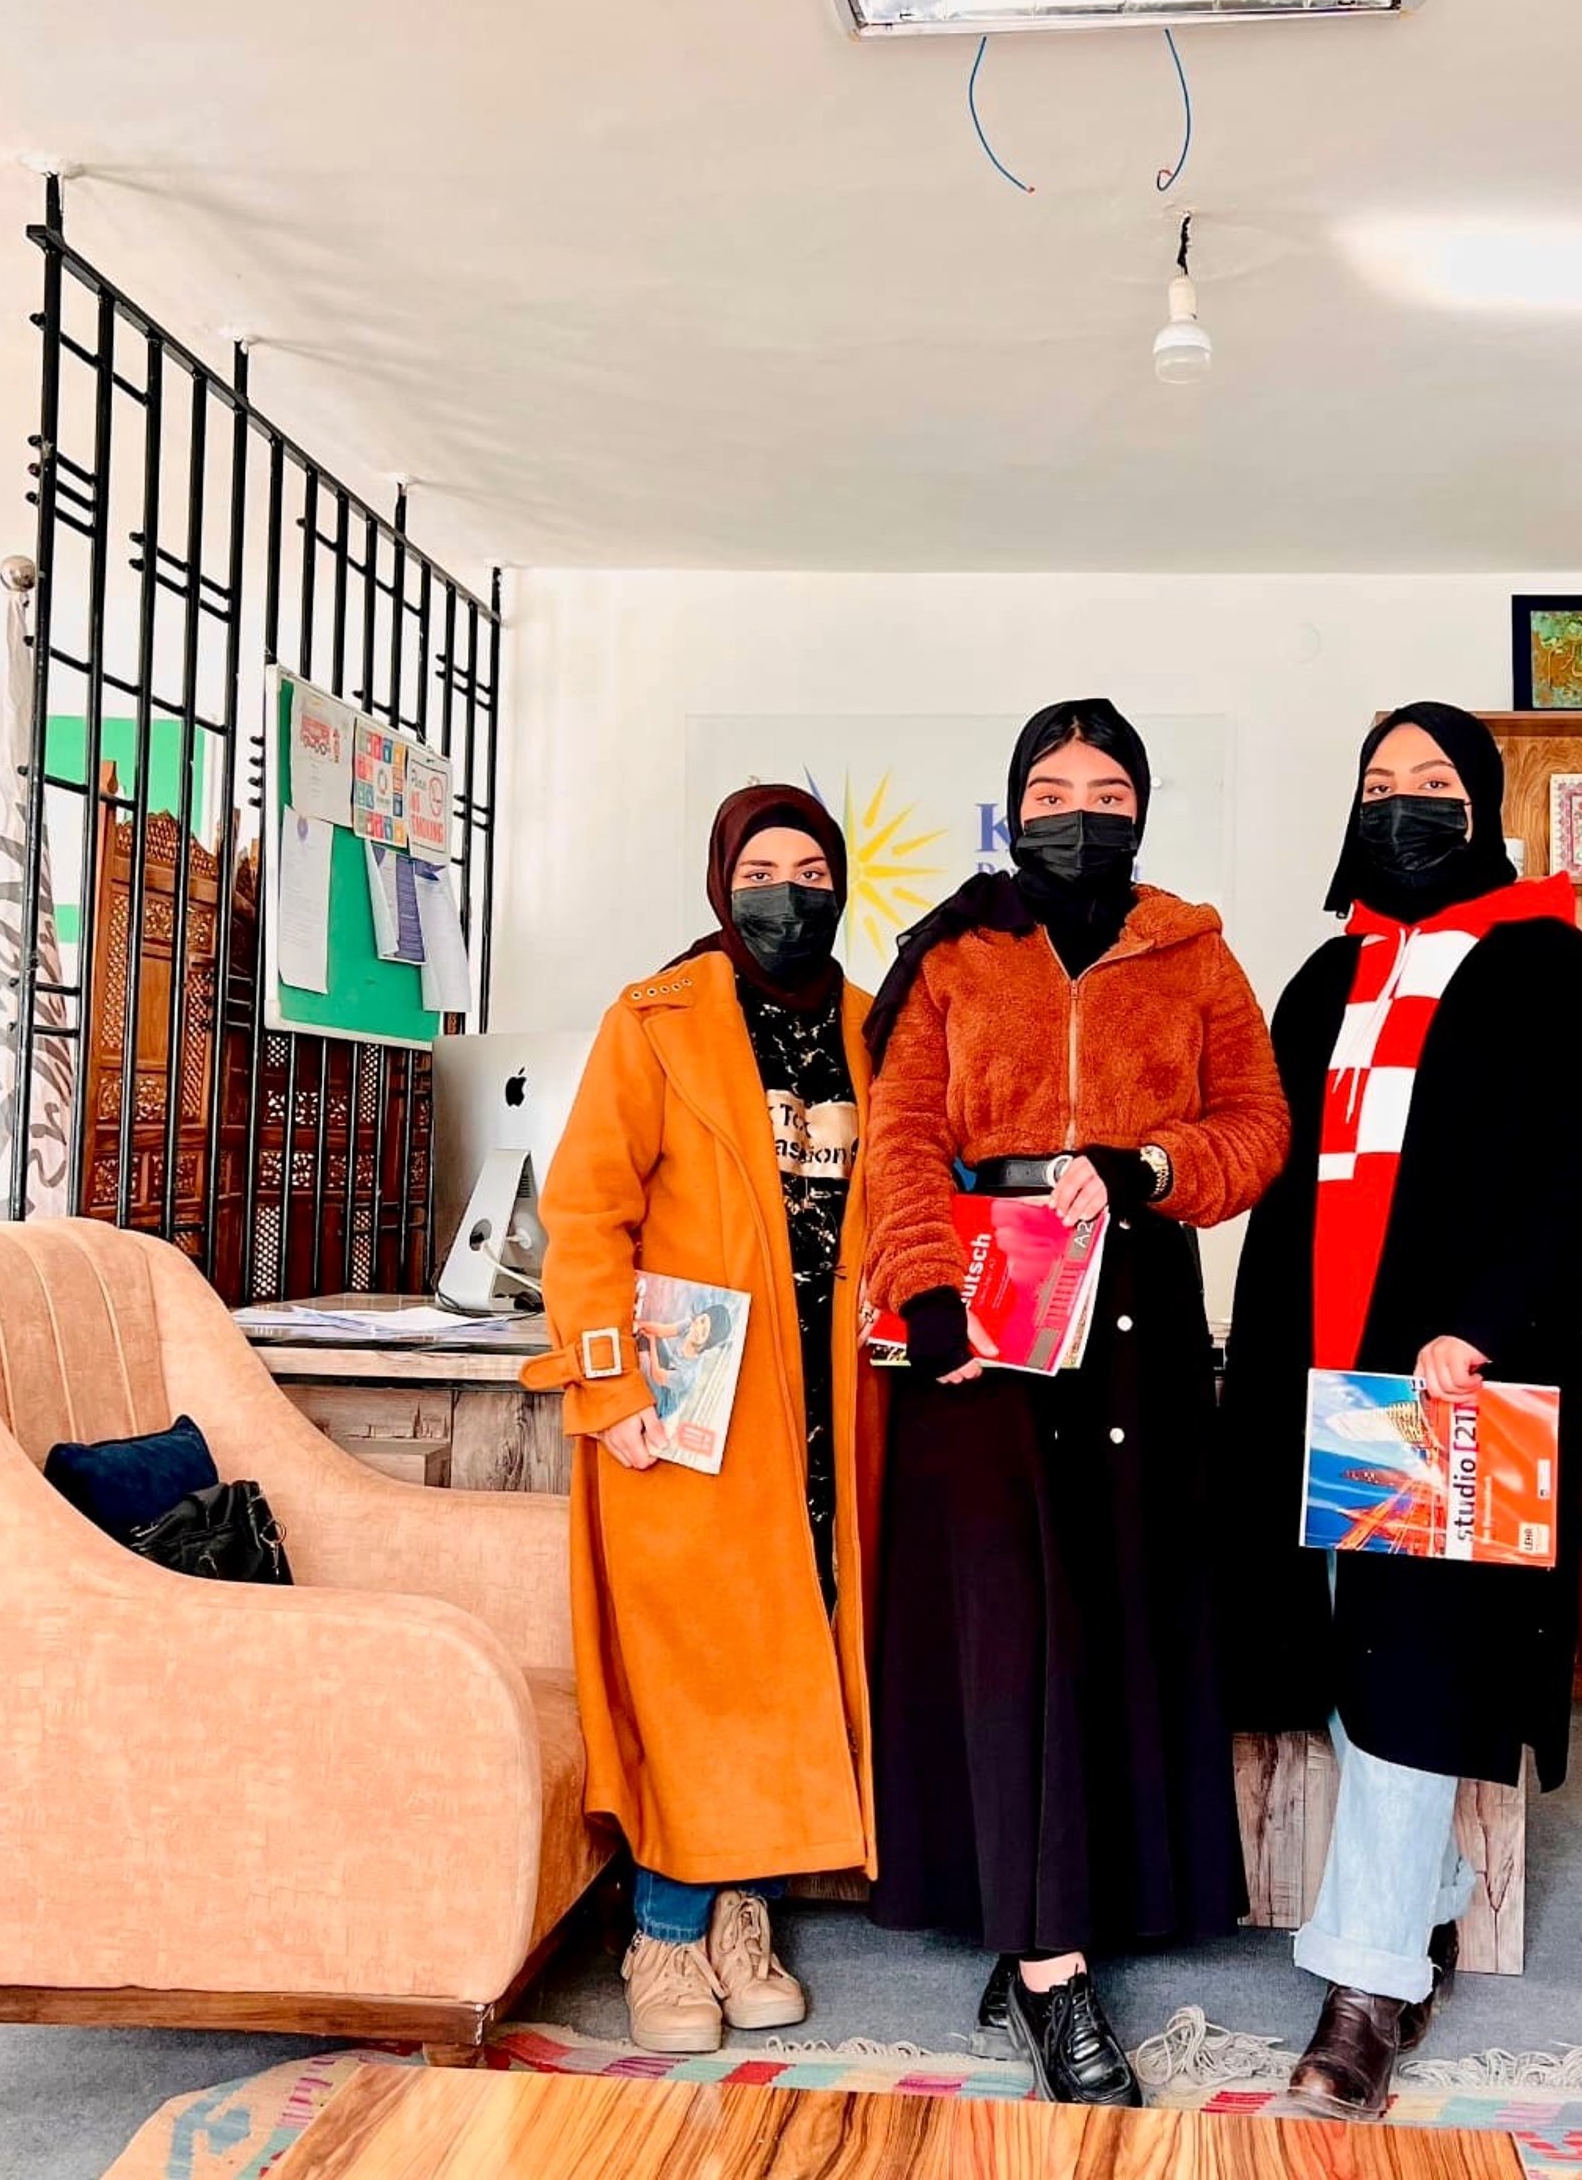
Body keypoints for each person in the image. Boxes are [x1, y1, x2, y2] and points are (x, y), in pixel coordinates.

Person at [861, 698, 1290, 2109]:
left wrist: (1147, 1161)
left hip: (1134, 1321)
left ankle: (1049, 1917)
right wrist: (929, 1297)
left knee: (1110, 1614)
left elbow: (1257, 1127)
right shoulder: (956, 948)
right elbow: (905, 1126)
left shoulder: (1195, 947)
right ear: (1010, 803)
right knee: (1004, 1622)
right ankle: (1048, 1967)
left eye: (1106, 786)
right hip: (983, 1312)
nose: (1078, 807)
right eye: (1051, 784)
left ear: (1142, 808)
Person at [1221, 702, 1582, 2120]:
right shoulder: (1324, 973)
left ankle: (1367, 1981)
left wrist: (1484, 1321)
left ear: (1485, 802)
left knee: (1409, 1666)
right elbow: (1271, 1159)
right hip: (1309, 1375)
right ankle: (1437, 1889)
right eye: (1380, 782)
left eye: (1434, 783)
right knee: (1344, 1648)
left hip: (1440, 1382)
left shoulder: (1547, 962)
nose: (1404, 804)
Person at [521, 785, 884, 2055]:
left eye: (812, 867)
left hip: (835, 1400)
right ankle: (668, 1935)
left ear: (842, 885)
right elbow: (584, 1215)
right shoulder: (656, 1017)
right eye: (763, 868)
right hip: (691, 1401)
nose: (789, 890)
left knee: (794, 1660)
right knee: (697, 1673)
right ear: (722, 882)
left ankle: (745, 1913)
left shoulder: (869, 1025)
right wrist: (610, 1384)